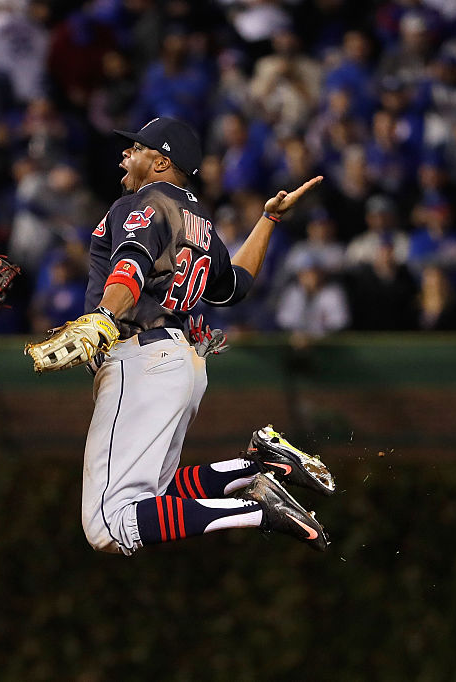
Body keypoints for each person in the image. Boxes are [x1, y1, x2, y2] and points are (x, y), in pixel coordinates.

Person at [44, 117, 335, 556]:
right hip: (182, 362)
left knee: (109, 523)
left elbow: (132, 264)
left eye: (136, 148)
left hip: (140, 358)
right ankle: (258, 465)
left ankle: (259, 511)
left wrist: (104, 316)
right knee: (153, 495)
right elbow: (236, 285)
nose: (126, 154)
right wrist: (269, 220)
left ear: (160, 162)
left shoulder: (146, 203)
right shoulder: (198, 219)